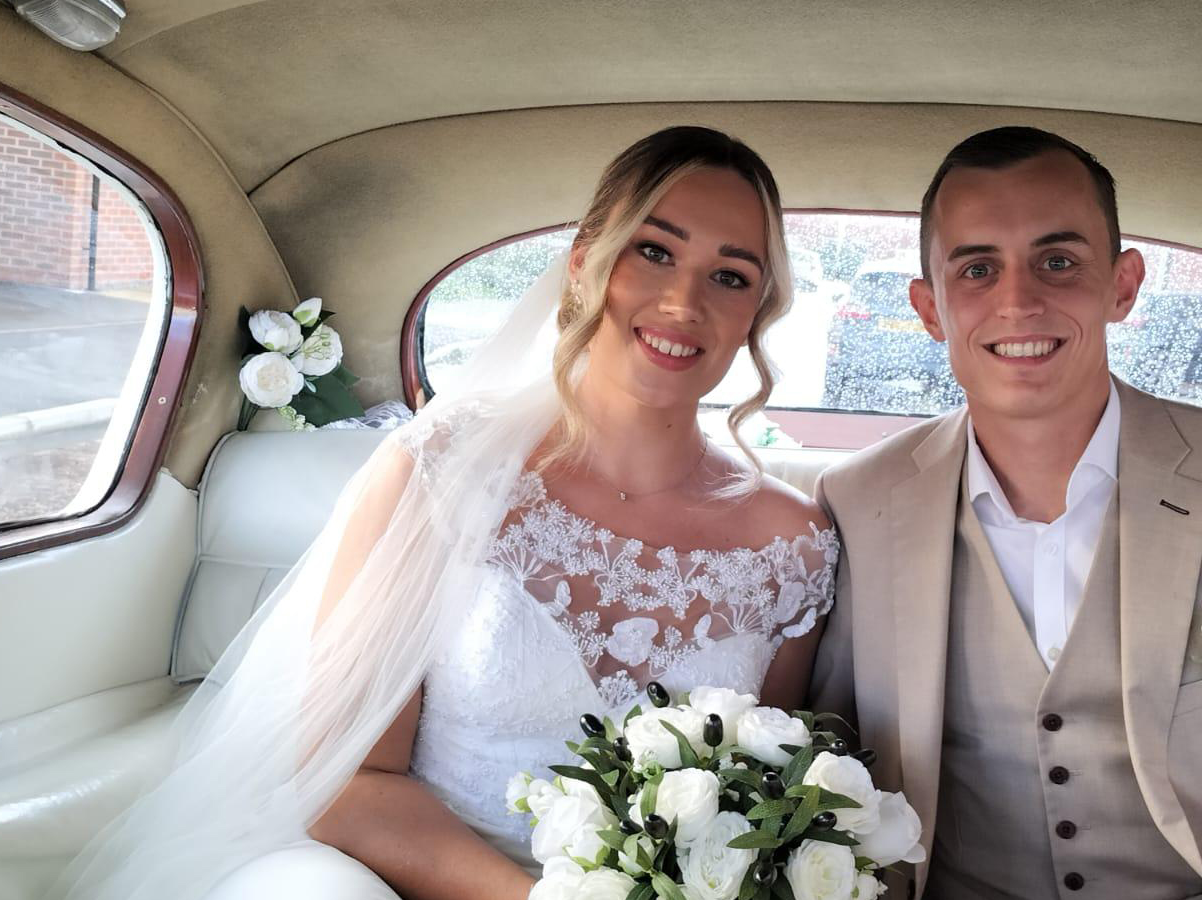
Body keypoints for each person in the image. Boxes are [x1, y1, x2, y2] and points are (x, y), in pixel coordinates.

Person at [55, 126, 838, 900]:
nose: (683, 301)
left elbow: (763, 812)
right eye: (655, 252)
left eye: (730, 277)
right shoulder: (444, 469)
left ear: (757, 312)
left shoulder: (791, 546)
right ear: (584, 263)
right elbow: (345, 781)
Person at [809, 126, 1202, 900]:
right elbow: (828, 762)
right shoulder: (857, 503)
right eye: (977, 268)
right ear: (929, 307)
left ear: (1122, 285)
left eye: (1058, 261)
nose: (1018, 300)